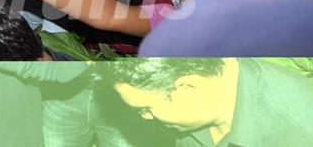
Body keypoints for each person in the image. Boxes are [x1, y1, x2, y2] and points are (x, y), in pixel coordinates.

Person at [107, 58, 313, 146]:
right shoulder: (195, 112)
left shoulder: (297, 131)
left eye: (145, 108)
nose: (145, 118)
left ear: (187, 88)